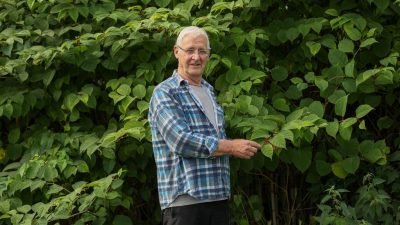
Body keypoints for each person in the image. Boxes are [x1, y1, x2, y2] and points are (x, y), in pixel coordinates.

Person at [148, 26, 261, 225]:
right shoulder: (165, 92)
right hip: (184, 204)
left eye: (202, 51)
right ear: (176, 52)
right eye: (190, 50)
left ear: (208, 55)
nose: (196, 57)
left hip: (217, 198)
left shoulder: (209, 91)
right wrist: (232, 147)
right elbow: (181, 141)